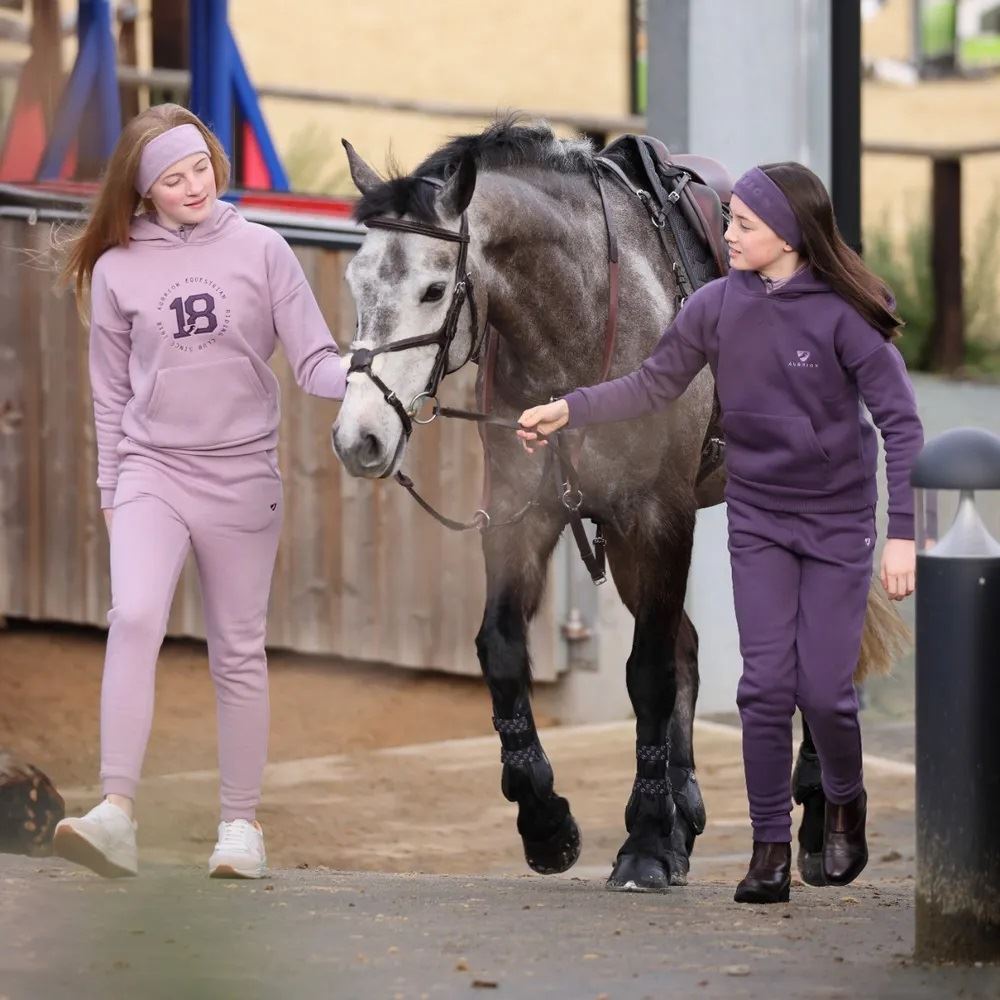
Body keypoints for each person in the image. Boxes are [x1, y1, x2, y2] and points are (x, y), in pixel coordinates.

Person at [517, 162, 923, 903]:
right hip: (760, 519)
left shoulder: (843, 316)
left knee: (825, 692)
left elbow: (901, 423)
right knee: (762, 691)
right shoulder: (714, 306)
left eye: (743, 224)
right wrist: (567, 408)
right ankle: (768, 850)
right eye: (729, 219)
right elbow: (651, 385)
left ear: (790, 235)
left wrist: (902, 535)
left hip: (835, 523)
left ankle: (845, 797)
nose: (727, 235)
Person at [52, 103, 347, 879]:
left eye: (199, 168)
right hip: (154, 472)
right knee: (135, 614)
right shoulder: (117, 269)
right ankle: (115, 812)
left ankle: (240, 828)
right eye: (172, 178)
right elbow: (109, 397)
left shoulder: (265, 249)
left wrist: (381, 380)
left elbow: (316, 363)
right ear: (143, 192)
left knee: (238, 650)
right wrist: (114, 490)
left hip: (244, 474)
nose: (193, 185)